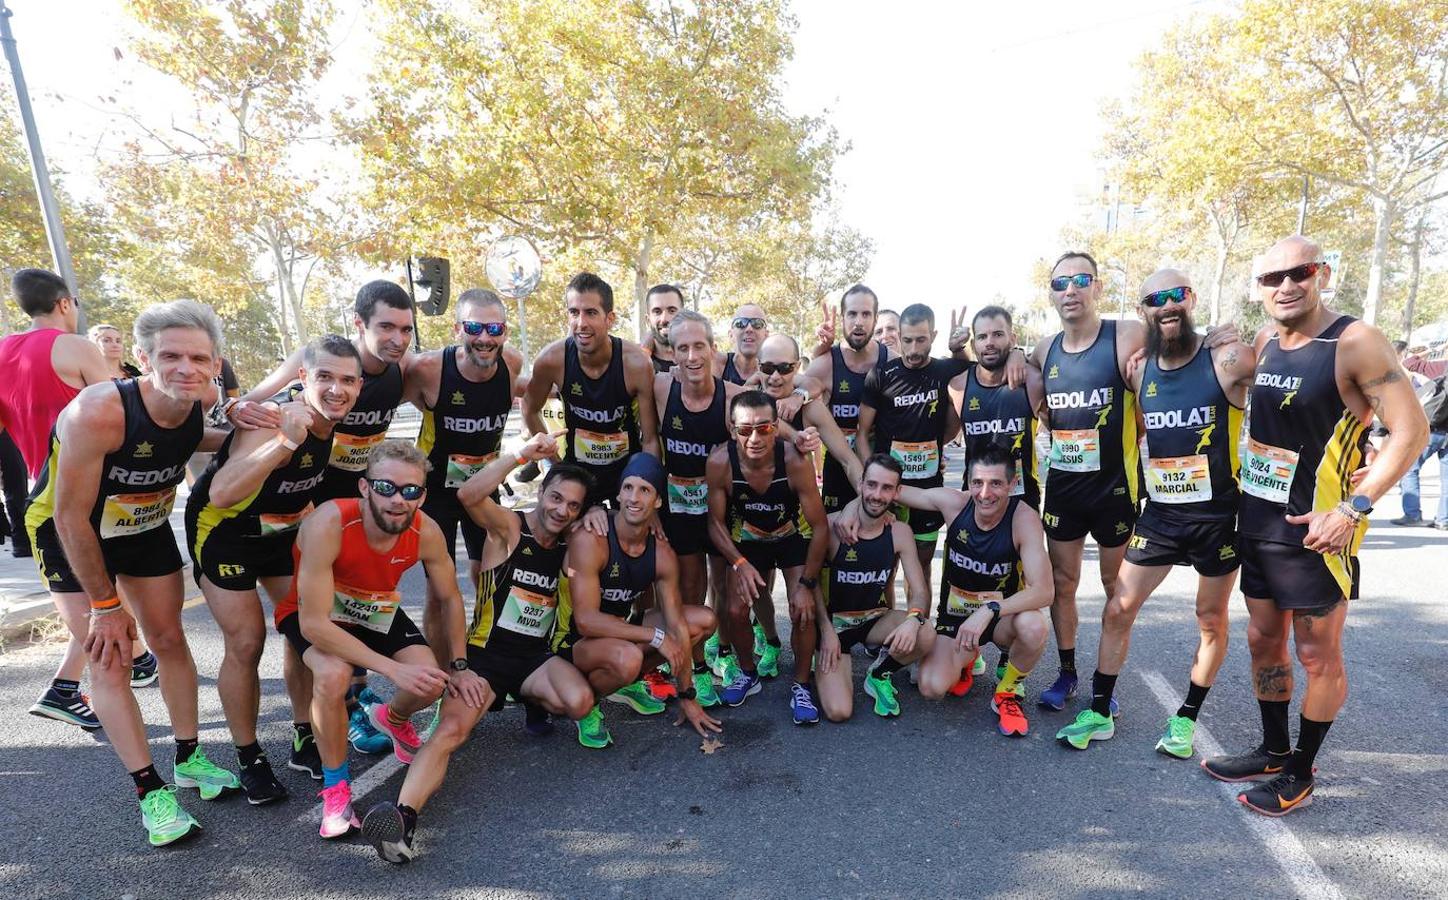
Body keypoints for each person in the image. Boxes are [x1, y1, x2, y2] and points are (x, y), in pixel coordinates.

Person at [1202, 236, 1428, 816]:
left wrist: (1354, 507)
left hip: (1318, 529)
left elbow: (1411, 431)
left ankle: (1301, 769)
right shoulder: (1265, 341)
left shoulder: (1355, 342)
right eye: (1270, 277)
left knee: (1316, 653)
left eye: (1298, 272)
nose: (1284, 286)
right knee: (1262, 639)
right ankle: (1274, 750)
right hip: (1258, 520)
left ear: (1322, 273)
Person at [24, 300, 234, 847]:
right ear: (143, 358)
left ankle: (189, 758)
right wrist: (105, 605)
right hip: (70, 529)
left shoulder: (203, 400)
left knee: (167, 637)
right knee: (111, 653)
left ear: (215, 364)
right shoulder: (100, 410)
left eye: (198, 358)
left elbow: (192, 439)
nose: (185, 368)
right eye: (170, 356)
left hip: (143, 523)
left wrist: (244, 423)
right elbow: (70, 516)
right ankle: (150, 792)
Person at [360, 437, 596, 863]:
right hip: (484, 660)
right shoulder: (509, 528)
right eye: (556, 497)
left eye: (574, 506)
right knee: (451, 733)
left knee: (578, 702)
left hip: (532, 662)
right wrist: (523, 453)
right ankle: (403, 818)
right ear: (541, 492)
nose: (561, 510)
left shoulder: (570, 543)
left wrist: (599, 515)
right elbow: (469, 493)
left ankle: (532, 702)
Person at [1054, 270, 1254, 756]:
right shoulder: (1139, 369)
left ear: (1192, 299)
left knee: (1211, 619)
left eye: (1175, 295)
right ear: (1142, 310)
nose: (1166, 306)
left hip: (1217, 519)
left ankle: (1185, 718)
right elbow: (1133, 425)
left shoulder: (1227, 359)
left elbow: (1292, 371)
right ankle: (1100, 711)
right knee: (1119, 607)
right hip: (1160, 516)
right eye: (1154, 299)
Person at [232, 279, 417, 753]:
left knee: (357, 602)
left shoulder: (402, 370)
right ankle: (332, 714)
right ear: (359, 324)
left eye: (405, 329)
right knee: (314, 614)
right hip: (309, 506)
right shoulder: (322, 361)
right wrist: (235, 408)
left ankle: (351, 701)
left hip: (360, 504)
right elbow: (252, 402)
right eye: (385, 327)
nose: (397, 339)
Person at [184, 335, 363, 802]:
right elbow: (222, 492)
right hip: (223, 533)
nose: (336, 390)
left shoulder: (331, 424)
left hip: (281, 534)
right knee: (246, 641)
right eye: (325, 377)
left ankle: (304, 734)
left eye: (347, 380)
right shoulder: (276, 422)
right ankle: (249, 756)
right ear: (303, 378)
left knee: (305, 627)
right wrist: (285, 440)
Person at [273, 441, 455, 839]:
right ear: (364, 487)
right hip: (316, 615)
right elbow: (315, 625)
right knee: (334, 675)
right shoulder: (329, 522)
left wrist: (458, 665)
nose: (397, 500)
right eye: (385, 487)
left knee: (432, 679)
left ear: (422, 495)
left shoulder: (427, 531)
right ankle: (336, 790)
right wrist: (390, 669)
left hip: (373, 608)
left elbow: (450, 598)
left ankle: (392, 718)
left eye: (410, 491)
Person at [1028, 252, 1145, 713]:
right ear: (1051, 294)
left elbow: (1178, 362)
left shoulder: (1127, 335)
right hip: (1064, 489)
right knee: (1063, 583)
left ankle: (1105, 686)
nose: (1070, 290)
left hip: (1115, 489)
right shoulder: (1044, 349)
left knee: (1115, 584)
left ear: (1097, 287)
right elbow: (1032, 380)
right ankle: (1068, 672)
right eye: (1061, 283)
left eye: (1080, 280)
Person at [558, 452, 723, 746]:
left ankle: (627, 681)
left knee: (703, 620)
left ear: (657, 502)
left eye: (645, 490)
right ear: (618, 495)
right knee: (629, 657)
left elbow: (676, 626)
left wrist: (687, 695)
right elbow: (585, 621)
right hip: (573, 643)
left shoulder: (662, 553)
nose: (634, 498)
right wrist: (655, 636)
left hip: (621, 631)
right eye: (628, 488)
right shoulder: (592, 539)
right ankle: (588, 704)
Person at [892, 444, 1053, 737]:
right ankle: (967, 658)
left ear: (1013, 484)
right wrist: (854, 505)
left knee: (1034, 625)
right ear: (967, 480)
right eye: (977, 482)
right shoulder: (954, 503)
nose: (984, 493)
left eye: (995, 484)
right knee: (931, 687)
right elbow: (890, 490)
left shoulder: (1023, 518)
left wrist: (989, 610)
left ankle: (1006, 692)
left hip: (998, 619)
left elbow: (1044, 591)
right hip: (955, 620)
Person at [402, 288, 526, 662]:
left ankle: (484, 662)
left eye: (494, 328)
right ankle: (441, 675)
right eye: (474, 327)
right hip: (436, 492)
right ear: (457, 329)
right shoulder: (429, 369)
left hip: (483, 490)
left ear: (505, 331)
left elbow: (536, 392)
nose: (485, 338)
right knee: (439, 592)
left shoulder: (513, 364)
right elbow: (377, 401)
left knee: (488, 580)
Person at [706, 390, 828, 724]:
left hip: (791, 537)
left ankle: (802, 684)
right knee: (734, 607)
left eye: (764, 428)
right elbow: (714, 523)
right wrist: (738, 563)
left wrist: (806, 583)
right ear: (733, 430)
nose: (755, 437)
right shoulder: (719, 462)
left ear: (776, 427)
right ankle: (748, 674)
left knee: (803, 609)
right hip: (749, 541)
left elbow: (819, 528)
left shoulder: (794, 461)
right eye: (745, 430)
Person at [522, 272, 661, 509]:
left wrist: (648, 493)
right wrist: (556, 465)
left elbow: (649, 440)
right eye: (574, 312)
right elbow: (529, 408)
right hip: (578, 473)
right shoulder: (551, 359)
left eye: (591, 313)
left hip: (626, 474)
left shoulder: (636, 363)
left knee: (632, 542)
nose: (581, 323)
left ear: (610, 319)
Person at [813, 454, 934, 721]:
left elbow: (921, 590)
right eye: (872, 485)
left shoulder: (900, 532)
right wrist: (824, 631)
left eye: (886, 488)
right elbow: (809, 584)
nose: (877, 495)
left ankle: (879, 673)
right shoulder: (831, 526)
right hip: (834, 627)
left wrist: (914, 619)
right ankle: (819, 660)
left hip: (874, 621)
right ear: (861, 486)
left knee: (926, 632)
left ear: (897, 492)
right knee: (839, 711)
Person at [857, 303, 968, 589]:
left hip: (929, 490)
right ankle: (889, 629)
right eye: (908, 340)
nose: (914, 349)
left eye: (921, 340)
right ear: (900, 337)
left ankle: (918, 627)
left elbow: (976, 373)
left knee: (920, 571)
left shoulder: (945, 369)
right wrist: (871, 478)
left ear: (933, 335)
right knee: (886, 572)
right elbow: (862, 433)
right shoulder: (881, 375)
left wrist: (959, 350)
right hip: (890, 492)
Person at [803, 285, 893, 513]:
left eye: (866, 314)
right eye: (852, 314)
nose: (859, 322)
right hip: (838, 473)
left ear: (875, 318)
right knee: (838, 543)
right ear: (842, 319)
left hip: (883, 471)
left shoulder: (892, 363)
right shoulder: (825, 364)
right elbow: (791, 388)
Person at [643, 283, 684, 373]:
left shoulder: (701, 362)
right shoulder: (631, 363)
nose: (665, 319)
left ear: (683, 316)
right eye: (657, 312)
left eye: (672, 311)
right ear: (647, 319)